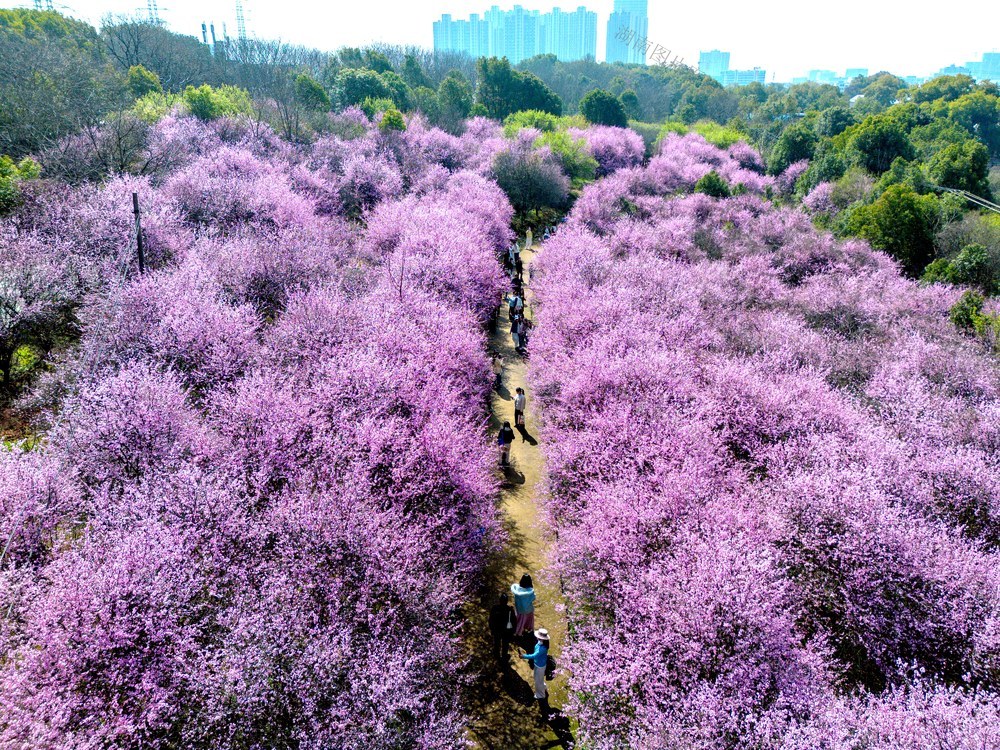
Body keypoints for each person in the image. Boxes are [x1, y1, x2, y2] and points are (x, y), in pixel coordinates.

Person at [521, 628, 550, 719]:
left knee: (538, 681)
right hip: (538, 664)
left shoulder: (542, 648)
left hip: (540, 666)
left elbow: (534, 655)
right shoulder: (540, 644)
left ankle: (540, 695)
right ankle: (543, 687)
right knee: (538, 679)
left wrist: (524, 656)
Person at [488, 593, 516, 668]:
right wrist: (513, 632)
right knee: (505, 646)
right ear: (507, 601)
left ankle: (497, 657)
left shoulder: (495, 608)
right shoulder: (510, 609)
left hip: (497, 630)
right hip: (506, 632)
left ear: (499, 600)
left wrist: (491, 629)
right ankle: (504, 660)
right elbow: (514, 622)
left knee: (497, 644)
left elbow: (491, 620)